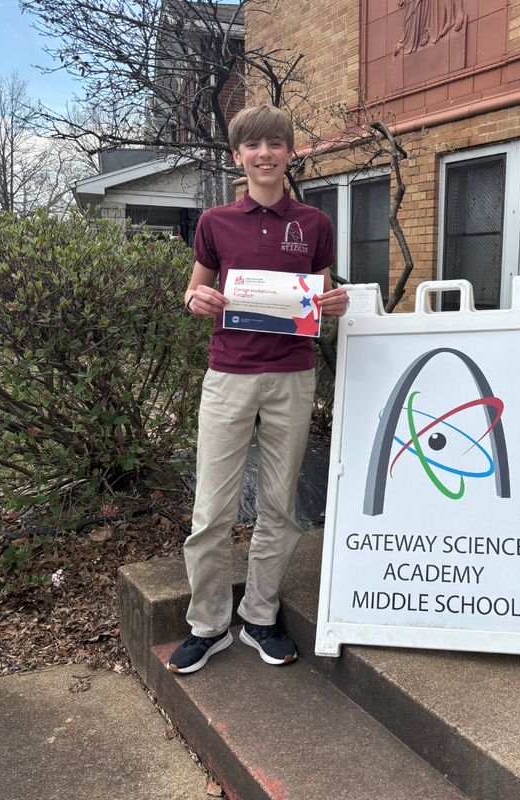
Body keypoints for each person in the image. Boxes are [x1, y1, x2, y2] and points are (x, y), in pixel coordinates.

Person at [167, 104, 349, 673]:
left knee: (278, 506)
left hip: (292, 377)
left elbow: (321, 294)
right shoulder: (215, 222)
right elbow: (195, 293)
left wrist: (336, 301)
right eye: (253, 146)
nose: (264, 154)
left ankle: (261, 617)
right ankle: (208, 625)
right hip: (228, 375)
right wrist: (197, 299)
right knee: (211, 510)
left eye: (275, 144)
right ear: (237, 156)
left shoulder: (315, 224)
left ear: (290, 152)